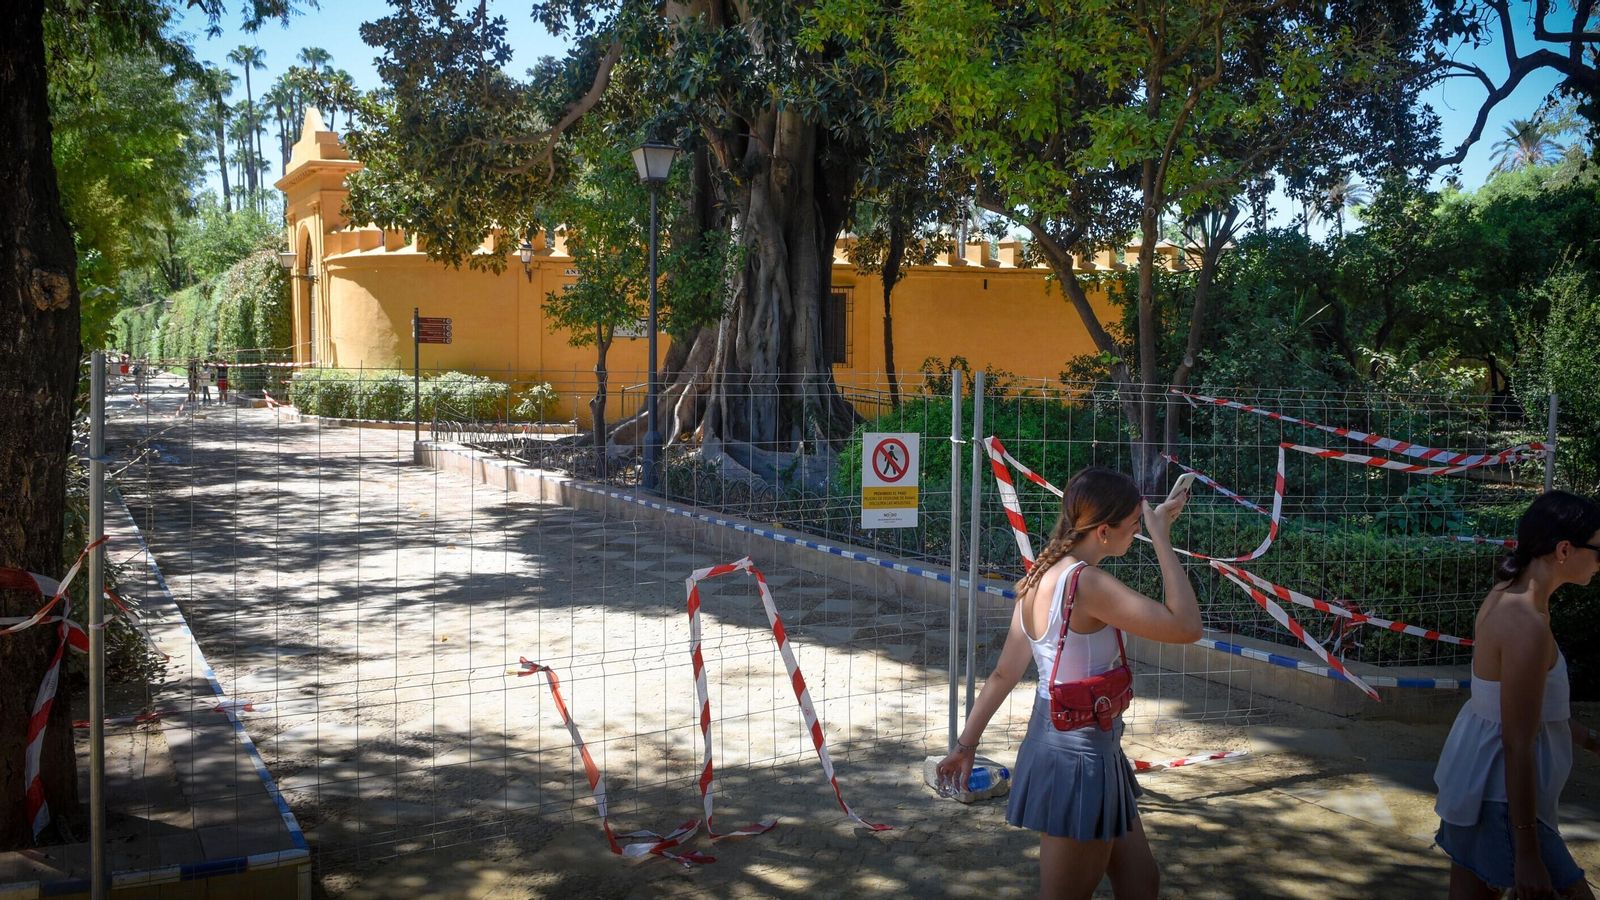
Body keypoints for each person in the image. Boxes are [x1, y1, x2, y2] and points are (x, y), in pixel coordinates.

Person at [936, 466, 1200, 899]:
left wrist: (965, 746)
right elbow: (1187, 626)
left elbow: (1005, 672)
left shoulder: (1039, 575)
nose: (1138, 535)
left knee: (1140, 882)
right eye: (1135, 527)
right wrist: (1164, 540)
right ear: (1102, 531)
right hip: (1078, 755)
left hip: (1081, 744)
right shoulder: (1088, 583)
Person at [1435, 490, 1600, 900]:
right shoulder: (1526, 621)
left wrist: (1588, 739)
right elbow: (1517, 742)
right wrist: (1527, 851)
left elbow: (1509, 707)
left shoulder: (1507, 593)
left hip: (1477, 783)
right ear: (1565, 550)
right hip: (1501, 801)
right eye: (1599, 552)